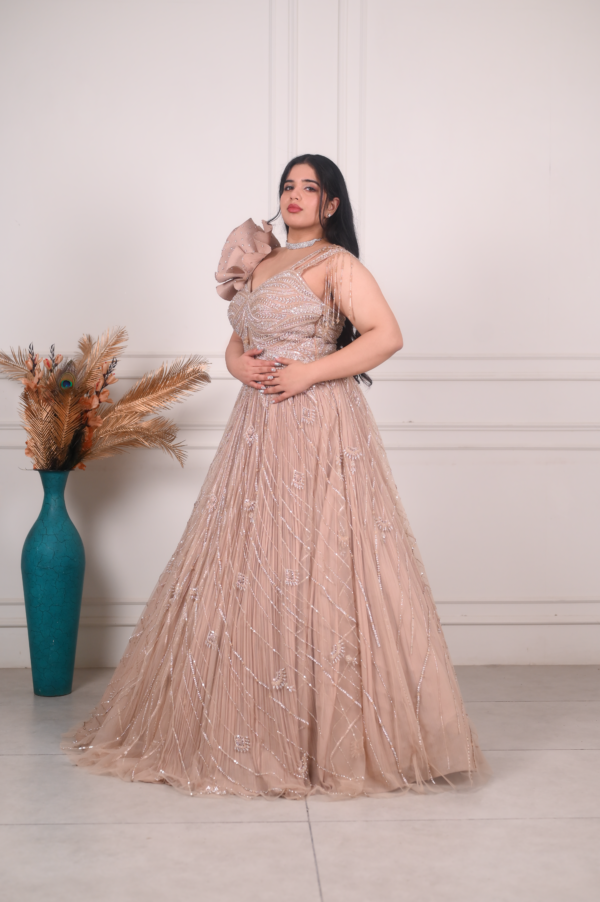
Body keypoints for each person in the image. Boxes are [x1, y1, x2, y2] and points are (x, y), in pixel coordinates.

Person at [62, 153, 490, 798]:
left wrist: (308, 372)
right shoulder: (258, 258)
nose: (295, 196)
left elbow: (386, 336)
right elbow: (240, 334)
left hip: (318, 424)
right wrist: (237, 364)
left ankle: (328, 739)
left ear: (331, 204)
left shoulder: (336, 264)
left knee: (321, 560)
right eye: (288, 186)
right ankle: (257, 726)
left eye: (309, 188)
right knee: (253, 560)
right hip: (256, 428)